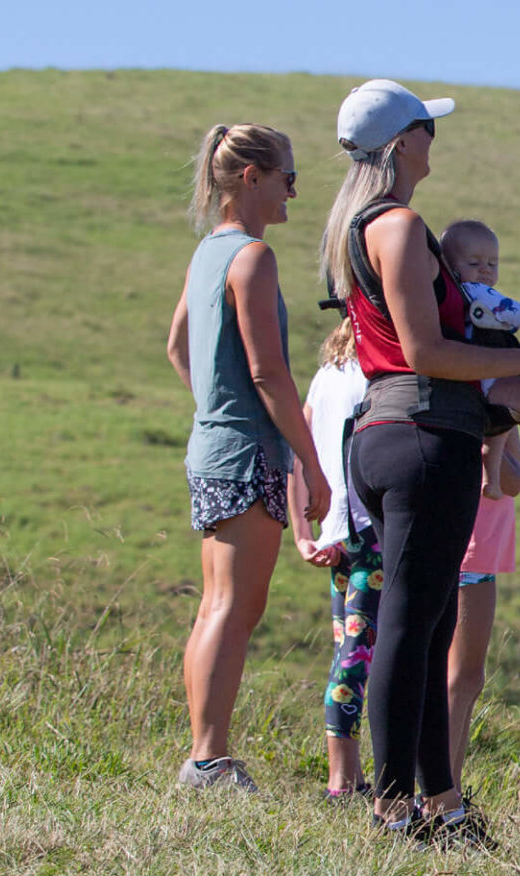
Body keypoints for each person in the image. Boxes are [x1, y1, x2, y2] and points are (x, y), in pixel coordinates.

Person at [321, 79, 520, 843]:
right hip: (423, 440)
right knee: (411, 626)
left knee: (427, 627)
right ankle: (394, 805)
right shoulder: (399, 226)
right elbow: (426, 352)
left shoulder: (358, 225)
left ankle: (442, 803)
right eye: (426, 130)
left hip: (390, 437)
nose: (435, 140)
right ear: (403, 144)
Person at [164, 121, 327, 792]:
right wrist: (310, 464)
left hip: (211, 448)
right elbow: (269, 374)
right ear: (253, 178)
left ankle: (206, 754)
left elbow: (179, 346)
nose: (295, 189)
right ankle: (209, 759)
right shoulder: (253, 258)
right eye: (288, 175)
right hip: (248, 454)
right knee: (235, 606)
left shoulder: (210, 251)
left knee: (216, 604)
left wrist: (214, 405)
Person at [287, 321, 378, 798]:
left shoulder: (327, 374)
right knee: (358, 659)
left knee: (348, 651)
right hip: (369, 530)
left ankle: (352, 775)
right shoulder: (374, 373)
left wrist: (303, 534)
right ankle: (343, 781)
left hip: (335, 534)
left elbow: (298, 451)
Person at [438, 219, 520, 496]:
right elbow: (515, 311)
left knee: (502, 419)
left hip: (472, 376)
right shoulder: (477, 292)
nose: (484, 270)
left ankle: (491, 478)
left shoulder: (449, 297)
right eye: (474, 264)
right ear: (449, 267)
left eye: (492, 264)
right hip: (487, 373)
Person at [446, 428, 520, 783]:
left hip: (471, 549)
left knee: (459, 678)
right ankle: (440, 796)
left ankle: (441, 790)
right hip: (472, 552)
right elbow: (512, 481)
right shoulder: (491, 400)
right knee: (462, 679)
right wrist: (499, 427)